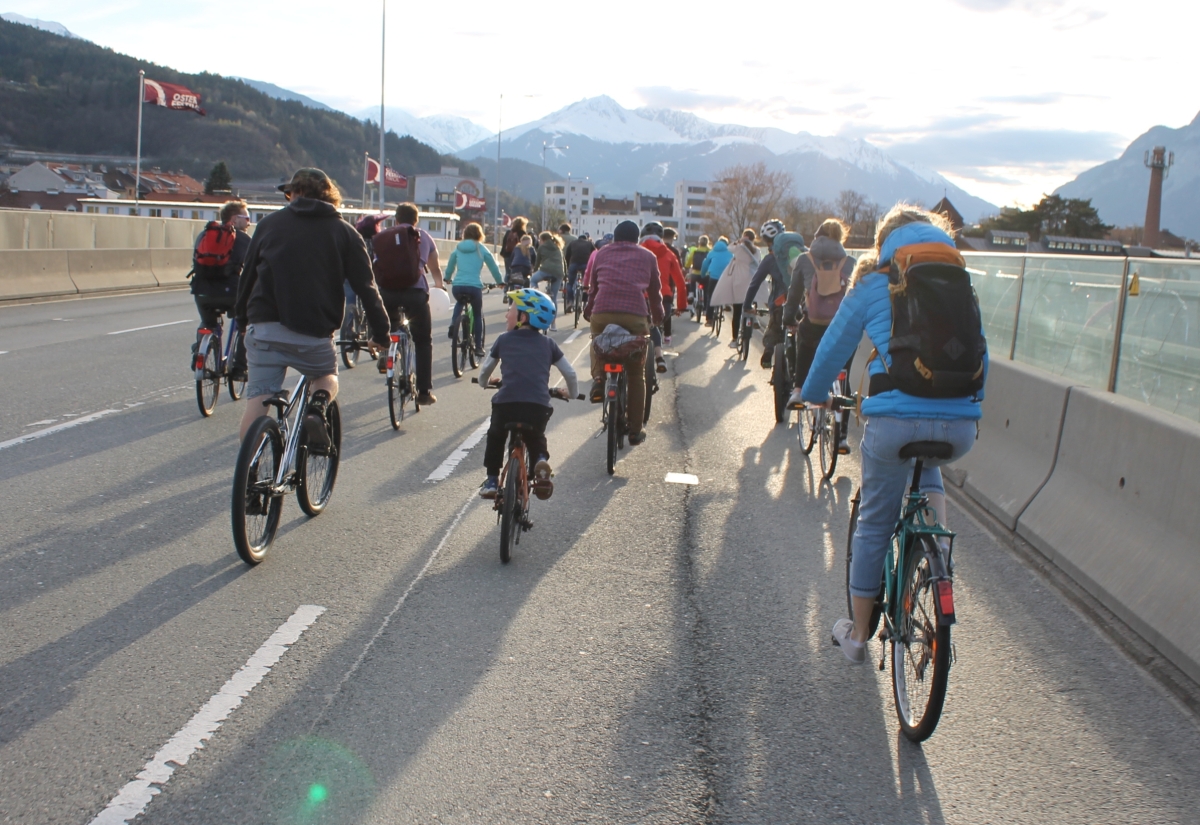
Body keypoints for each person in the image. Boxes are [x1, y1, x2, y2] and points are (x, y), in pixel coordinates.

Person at [800, 204, 986, 664]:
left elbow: (834, 346)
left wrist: (814, 393)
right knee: (930, 475)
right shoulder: (959, 282)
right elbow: (981, 352)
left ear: (886, 242)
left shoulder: (872, 280)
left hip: (893, 425)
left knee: (876, 522)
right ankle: (938, 569)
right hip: (959, 425)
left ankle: (859, 636)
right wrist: (971, 412)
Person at [234, 167, 390, 443]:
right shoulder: (345, 233)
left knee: (258, 399)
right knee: (327, 377)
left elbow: (247, 276)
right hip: (314, 334)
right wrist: (380, 333)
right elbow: (366, 287)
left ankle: (248, 473)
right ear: (330, 197)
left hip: (264, 328)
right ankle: (317, 409)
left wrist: (243, 322)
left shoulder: (269, 225)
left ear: (294, 194)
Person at [477, 288, 579, 499]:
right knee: (536, 436)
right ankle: (541, 460)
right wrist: (571, 393)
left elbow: (485, 372)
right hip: (537, 406)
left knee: (496, 436)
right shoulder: (549, 344)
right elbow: (570, 373)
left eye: (511, 310)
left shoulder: (503, 340)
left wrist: (485, 383)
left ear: (523, 317)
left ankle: (492, 481)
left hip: (506, 405)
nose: (507, 314)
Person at [583, 219, 664, 445]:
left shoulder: (601, 253)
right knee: (637, 375)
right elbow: (655, 294)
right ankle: (635, 431)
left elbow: (593, 289)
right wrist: (657, 317)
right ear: (637, 239)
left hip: (603, 312)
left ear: (616, 237)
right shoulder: (648, 257)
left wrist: (589, 311)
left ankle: (599, 378)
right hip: (634, 316)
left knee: (597, 340)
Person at [785, 218, 856, 454]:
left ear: (817, 237)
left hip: (813, 324)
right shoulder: (851, 262)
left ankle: (797, 391)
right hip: (842, 327)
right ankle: (842, 438)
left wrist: (789, 319)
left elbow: (794, 294)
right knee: (842, 377)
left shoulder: (806, 259)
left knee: (804, 341)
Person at [370, 202, 445, 406]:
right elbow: (435, 267)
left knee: (389, 329)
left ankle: (386, 354)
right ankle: (423, 392)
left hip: (388, 293)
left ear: (396, 219)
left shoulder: (385, 237)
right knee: (422, 340)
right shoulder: (423, 237)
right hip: (415, 293)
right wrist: (439, 285)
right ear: (416, 220)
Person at [192, 200, 251, 379]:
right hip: (231, 293)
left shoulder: (204, 234)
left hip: (201, 291)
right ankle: (240, 369)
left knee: (208, 324)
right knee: (245, 326)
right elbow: (255, 268)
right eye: (246, 217)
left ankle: (199, 352)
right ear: (234, 219)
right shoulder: (243, 239)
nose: (249, 222)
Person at [740, 218, 795, 369]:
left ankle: (769, 350)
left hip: (779, 301)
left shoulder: (769, 259)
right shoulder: (797, 255)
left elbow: (755, 283)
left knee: (774, 328)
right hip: (801, 301)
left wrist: (747, 304)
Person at [444, 222, 503, 357]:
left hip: (458, 286)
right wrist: (500, 282)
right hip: (474, 286)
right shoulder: (481, 248)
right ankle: (478, 346)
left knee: (459, 302)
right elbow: (493, 266)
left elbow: (450, 265)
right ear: (479, 234)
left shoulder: (458, 247)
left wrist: (447, 278)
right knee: (477, 314)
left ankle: (454, 324)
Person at [639, 222, 687, 369]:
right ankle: (659, 354)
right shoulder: (668, 253)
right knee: (655, 324)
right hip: (664, 296)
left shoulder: (637, 251)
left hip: (640, 296)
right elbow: (680, 281)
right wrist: (681, 305)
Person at [710, 228, 761, 346]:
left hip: (738, 282)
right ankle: (754, 319)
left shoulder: (739, 249)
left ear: (744, 237)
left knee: (737, 312)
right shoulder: (757, 250)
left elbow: (729, 248)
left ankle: (734, 340)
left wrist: (739, 241)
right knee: (751, 303)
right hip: (752, 281)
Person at [531, 231, 566, 330]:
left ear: (543, 240)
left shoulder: (542, 247)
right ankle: (553, 325)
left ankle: (535, 296)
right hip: (558, 272)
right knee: (553, 298)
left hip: (545, 270)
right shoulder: (558, 247)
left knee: (533, 280)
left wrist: (534, 271)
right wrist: (565, 275)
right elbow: (564, 262)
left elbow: (537, 262)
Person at [698, 235, 732, 326]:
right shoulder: (731, 253)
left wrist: (702, 274)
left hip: (713, 277)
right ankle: (727, 303)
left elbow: (705, 264)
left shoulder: (712, 252)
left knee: (711, 296)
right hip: (726, 277)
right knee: (728, 289)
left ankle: (709, 319)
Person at [564, 231, 595, 305]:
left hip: (573, 264)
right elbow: (594, 255)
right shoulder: (589, 244)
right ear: (586, 238)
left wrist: (568, 266)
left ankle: (570, 301)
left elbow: (567, 256)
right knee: (586, 283)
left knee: (570, 284)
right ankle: (585, 299)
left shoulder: (572, 243)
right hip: (585, 265)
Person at [684, 234, 711, 315]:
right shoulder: (710, 252)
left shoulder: (694, 251)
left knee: (692, 281)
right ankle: (705, 310)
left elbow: (689, 261)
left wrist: (687, 266)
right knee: (706, 291)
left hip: (695, 273)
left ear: (699, 242)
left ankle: (691, 293)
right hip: (706, 275)